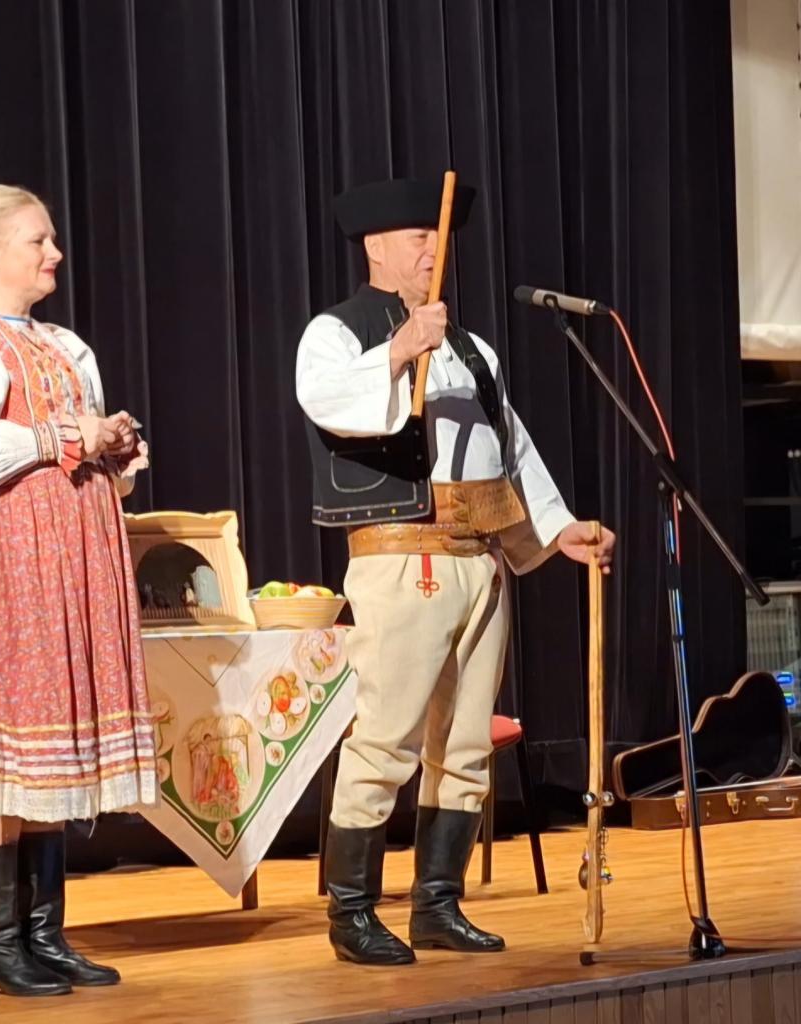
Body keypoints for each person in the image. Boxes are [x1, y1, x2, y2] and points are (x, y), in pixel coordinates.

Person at [296, 178, 616, 966]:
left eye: (438, 239)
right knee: (387, 736)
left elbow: (510, 446)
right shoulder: (335, 333)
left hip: (480, 556)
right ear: (376, 247)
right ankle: (352, 911)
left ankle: (438, 902)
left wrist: (558, 528)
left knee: (466, 743)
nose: (433, 251)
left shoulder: (474, 349)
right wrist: (400, 349)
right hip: (404, 555)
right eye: (419, 238)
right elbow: (327, 402)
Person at [0, 184, 154, 996]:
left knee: (52, 737)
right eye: (37, 241)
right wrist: (62, 435)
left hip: (65, 558)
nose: (55, 253)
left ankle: (44, 934)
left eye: (52, 239)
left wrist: (112, 449)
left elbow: (76, 448)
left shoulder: (66, 345)